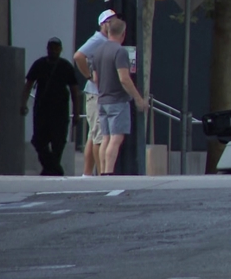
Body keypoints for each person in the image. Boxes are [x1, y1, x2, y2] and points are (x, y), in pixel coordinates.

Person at [91, 17, 148, 175]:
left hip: (102, 100)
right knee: (116, 138)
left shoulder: (98, 51)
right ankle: (109, 172)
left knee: (106, 138)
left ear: (108, 31)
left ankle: (102, 171)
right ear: (123, 34)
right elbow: (124, 78)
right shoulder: (120, 51)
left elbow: (95, 78)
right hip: (118, 101)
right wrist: (138, 98)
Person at [21, 37, 81, 176]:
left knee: (58, 143)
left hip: (60, 111)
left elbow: (74, 90)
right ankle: (54, 168)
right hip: (42, 110)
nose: (53, 51)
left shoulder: (66, 66)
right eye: (51, 48)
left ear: (60, 49)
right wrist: (23, 103)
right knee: (38, 141)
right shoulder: (39, 64)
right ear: (47, 49)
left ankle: (50, 169)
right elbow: (28, 85)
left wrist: (76, 112)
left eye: (56, 48)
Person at [74, 9, 115, 176]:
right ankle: (101, 174)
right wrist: (89, 75)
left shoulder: (107, 41)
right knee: (99, 136)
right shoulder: (98, 39)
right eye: (109, 21)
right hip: (95, 93)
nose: (112, 23)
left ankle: (87, 173)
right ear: (102, 24)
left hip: (98, 92)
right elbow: (78, 56)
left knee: (93, 135)